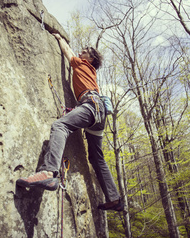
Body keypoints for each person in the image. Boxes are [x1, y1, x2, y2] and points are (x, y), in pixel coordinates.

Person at [16, 33, 123, 211]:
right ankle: (114, 198)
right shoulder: (91, 73)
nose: (81, 52)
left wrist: (59, 38)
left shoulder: (83, 64)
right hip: (98, 111)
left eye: (85, 51)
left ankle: (48, 172)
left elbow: (67, 51)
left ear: (91, 58)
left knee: (60, 126)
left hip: (91, 105)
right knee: (97, 158)